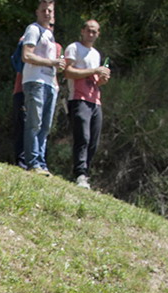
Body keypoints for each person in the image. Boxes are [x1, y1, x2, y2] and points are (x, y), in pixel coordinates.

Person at [63, 19, 110, 188]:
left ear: (98, 34)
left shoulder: (96, 54)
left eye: (95, 32)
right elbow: (67, 72)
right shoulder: (74, 48)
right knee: (82, 136)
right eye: (88, 30)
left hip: (95, 100)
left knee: (94, 141)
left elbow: (95, 80)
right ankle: (79, 173)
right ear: (82, 31)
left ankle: (85, 174)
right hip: (78, 98)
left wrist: (102, 79)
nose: (91, 34)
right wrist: (94, 71)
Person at [20, 0, 65, 175]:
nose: (47, 13)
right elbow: (26, 55)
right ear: (37, 12)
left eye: (50, 11)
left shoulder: (50, 35)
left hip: (49, 84)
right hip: (35, 82)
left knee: (45, 126)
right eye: (44, 10)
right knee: (34, 123)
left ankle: (41, 162)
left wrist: (56, 75)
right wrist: (52, 62)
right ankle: (32, 163)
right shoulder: (33, 29)